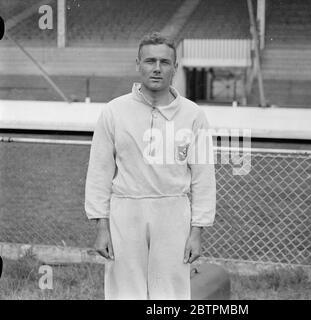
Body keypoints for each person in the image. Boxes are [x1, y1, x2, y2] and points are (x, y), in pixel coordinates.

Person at [84, 32, 216, 300]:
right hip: (126, 209)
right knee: (124, 291)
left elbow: (203, 178)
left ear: (175, 68)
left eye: (165, 62)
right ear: (138, 64)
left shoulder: (193, 115)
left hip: (173, 211)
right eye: (150, 61)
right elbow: (99, 172)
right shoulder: (114, 111)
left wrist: (197, 231)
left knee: (171, 293)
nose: (157, 69)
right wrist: (101, 227)